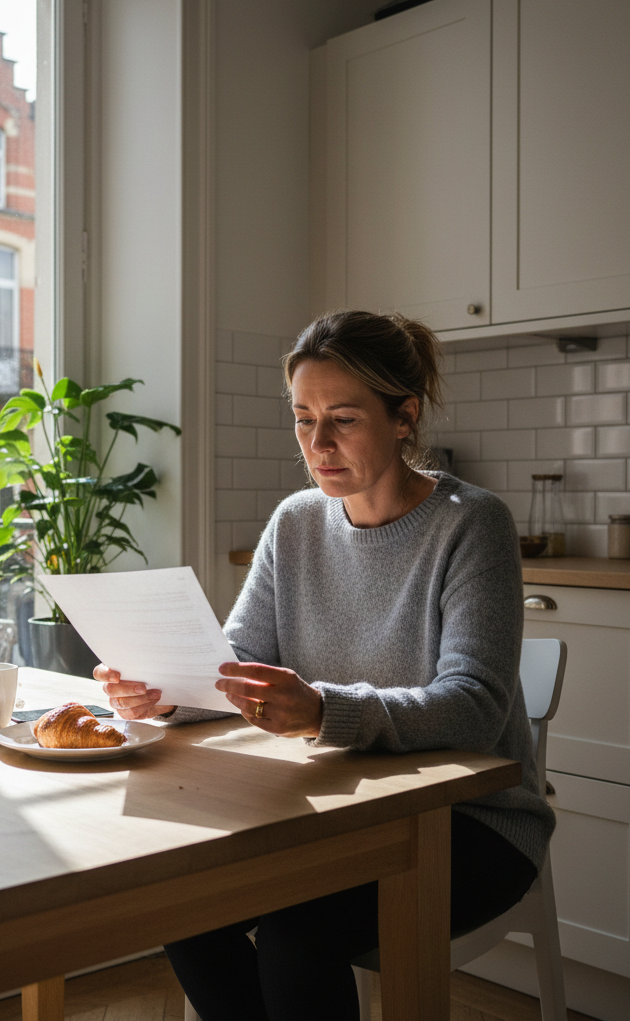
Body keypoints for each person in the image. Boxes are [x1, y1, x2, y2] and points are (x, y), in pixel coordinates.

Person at [95, 310, 555, 1021]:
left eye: (342, 418)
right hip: (339, 811)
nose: (318, 444)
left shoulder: (472, 523)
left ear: (404, 418)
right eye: (303, 419)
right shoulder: (296, 521)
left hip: (471, 823)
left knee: (296, 935)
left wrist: (322, 710)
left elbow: (474, 706)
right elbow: (240, 662)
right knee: (182, 906)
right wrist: (164, 695)